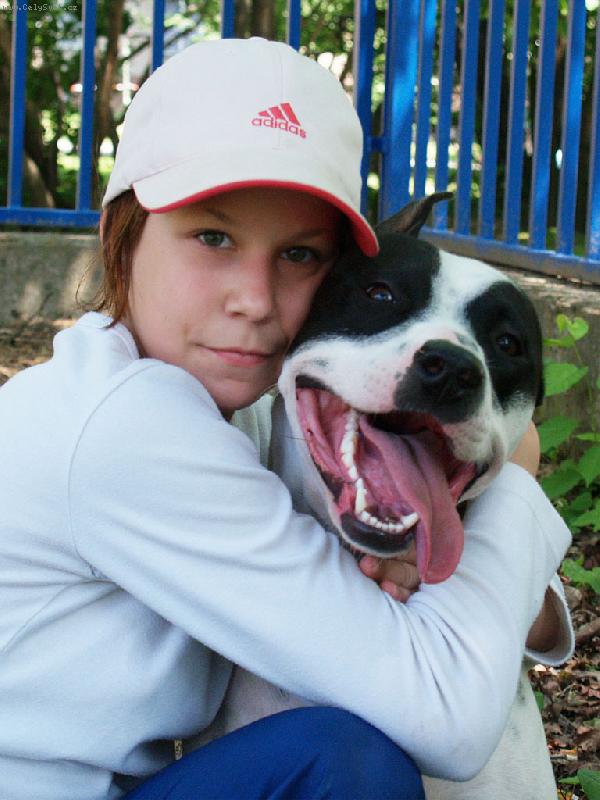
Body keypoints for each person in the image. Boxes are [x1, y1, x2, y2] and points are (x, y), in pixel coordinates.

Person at [0, 37, 572, 800]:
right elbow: (450, 716)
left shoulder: (235, 406)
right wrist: (515, 498)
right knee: (342, 763)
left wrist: (450, 531)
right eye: (212, 237)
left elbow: (508, 498)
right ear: (119, 238)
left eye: (300, 255)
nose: (256, 299)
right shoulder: (125, 426)